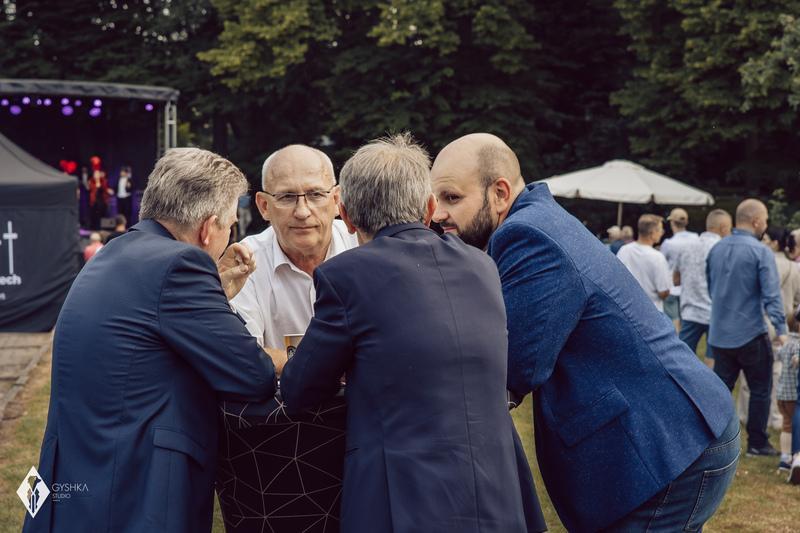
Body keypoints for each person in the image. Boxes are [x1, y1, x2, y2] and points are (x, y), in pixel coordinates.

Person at [430, 132, 738, 532]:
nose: (438, 214)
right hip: (679, 431)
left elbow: (512, 364)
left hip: (669, 446)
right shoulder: (535, 220)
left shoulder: (526, 235)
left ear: (500, 193)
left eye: (452, 198)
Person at [281, 134, 546, 533]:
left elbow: (300, 390)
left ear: (345, 216)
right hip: (497, 489)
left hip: (405, 497)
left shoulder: (345, 275)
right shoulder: (481, 266)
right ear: (429, 208)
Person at [23, 147, 280, 533]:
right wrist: (290, 354)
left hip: (75, 482)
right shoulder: (181, 265)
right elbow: (252, 374)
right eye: (230, 225)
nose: (230, 236)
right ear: (208, 228)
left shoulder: (114, 252)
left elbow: (148, 340)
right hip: (131, 494)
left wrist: (215, 293)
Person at [217, 144, 358, 532]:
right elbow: (243, 357)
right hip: (276, 445)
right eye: (287, 197)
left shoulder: (363, 247)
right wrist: (337, 363)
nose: (302, 210)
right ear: (263, 206)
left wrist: (288, 359)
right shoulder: (245, 260)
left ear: (336, 199)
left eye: (315, 194)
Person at [707, 199, 787, 456]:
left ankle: (711, 439)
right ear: (756, 221)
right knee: (760, 390)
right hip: (751, 332)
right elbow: (772, 296)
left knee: (720, 391)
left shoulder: (716, 249)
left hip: (720, 333)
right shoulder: (761, 252)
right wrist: (782, 330)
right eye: (765, 220)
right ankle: (757, 442)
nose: (766, 225)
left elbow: (711, 288)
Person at [673, 209, 733, 367]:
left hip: (690, 310)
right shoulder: (724, 249)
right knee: (712, 359)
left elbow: (676, 279)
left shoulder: (687, 247)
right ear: (724, 228)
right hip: (715, 313)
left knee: (682, 359)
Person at [617, 214, 672, 311]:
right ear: (652, 233)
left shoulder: (624, 250)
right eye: (660, 230)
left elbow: (616, 279)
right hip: (652, 311)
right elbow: (663, 292)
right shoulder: (657, 257)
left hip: (627, 309)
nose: (662, 233)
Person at [660, 208, 698, 326]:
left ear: (672, 223)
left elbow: (661, 263)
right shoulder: (696, 238)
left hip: (671, 287)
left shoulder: (668, 243)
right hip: (690, 287)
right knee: (687, 323)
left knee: (672, 322)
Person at [776, 328, 799, 472]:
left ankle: (784, 459)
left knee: (786, 425)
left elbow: (778, 355)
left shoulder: (786, 343)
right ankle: (794, 456)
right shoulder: (797, 345)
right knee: (794, 425)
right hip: (793, 395)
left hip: (781, 393)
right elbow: (796, 360)